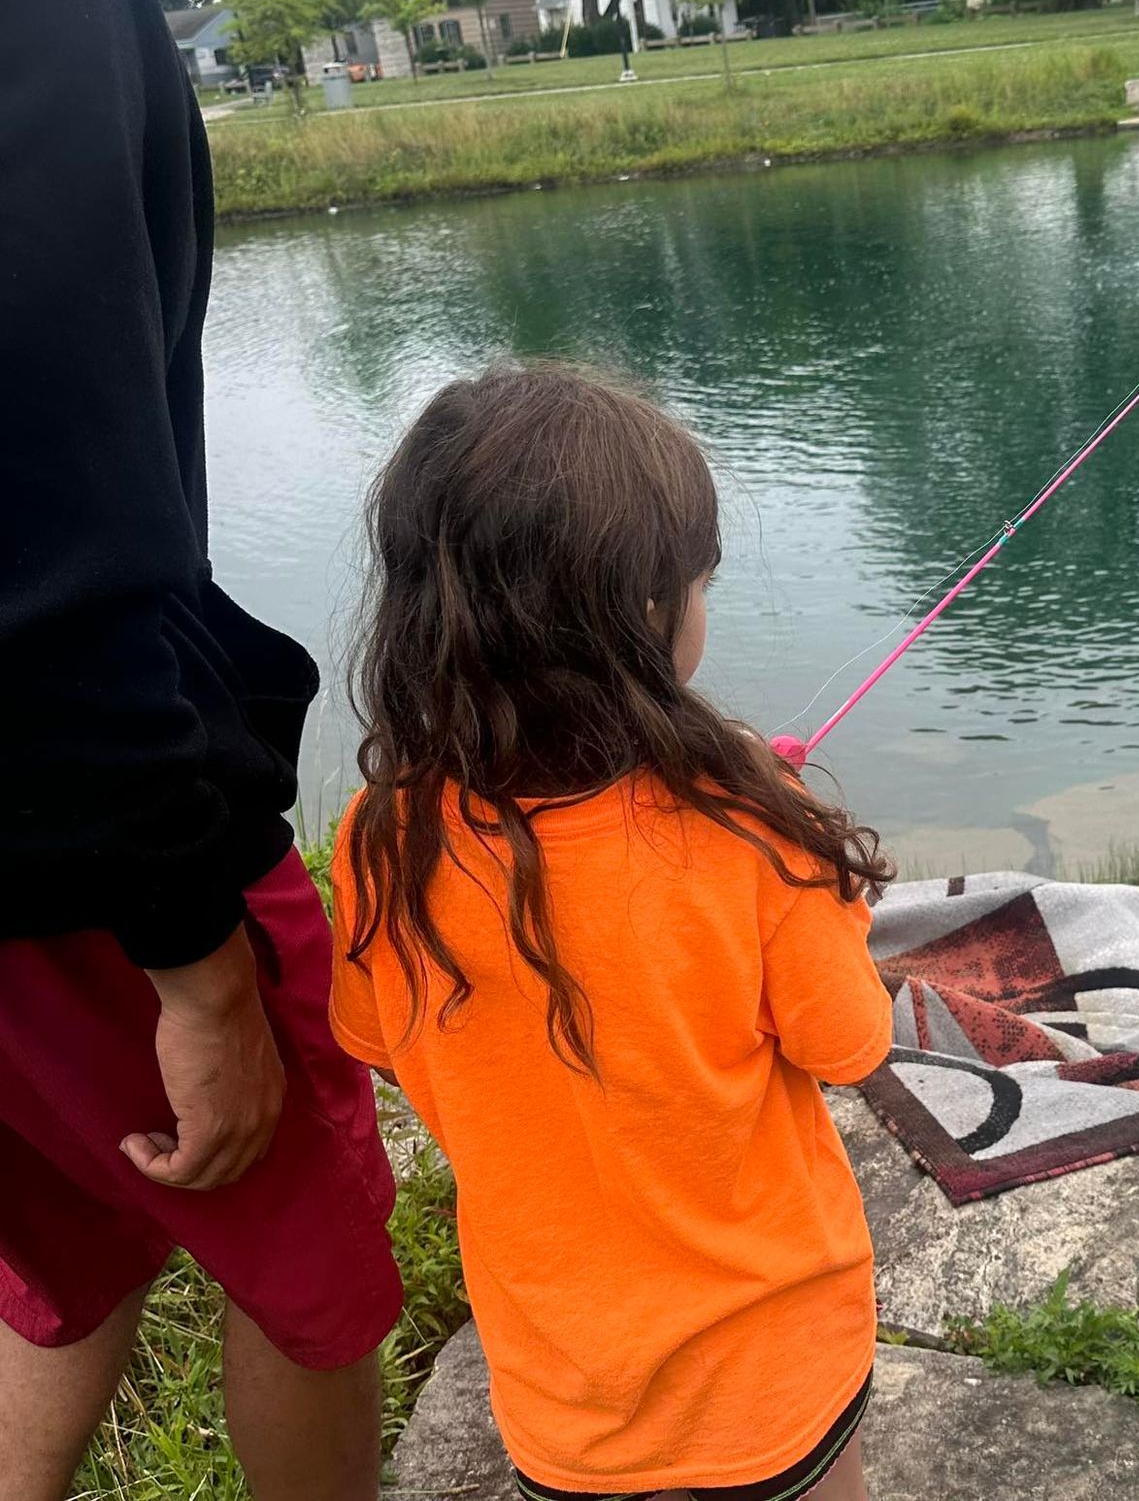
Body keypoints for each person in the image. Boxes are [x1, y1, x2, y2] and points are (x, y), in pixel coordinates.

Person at [0, 0, 402, 1497]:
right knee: (314, 1269)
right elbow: (51, 546)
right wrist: (195, 963)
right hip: (85, 848)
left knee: (75, 1239)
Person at [330, 364, 896, 1501]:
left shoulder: (383, 833)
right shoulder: (749, 831)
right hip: (773, 1362)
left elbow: (384, 1042)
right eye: (697, 583)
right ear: (644, 617)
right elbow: (849, 1043)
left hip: (564, 1386)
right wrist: (806, 851)